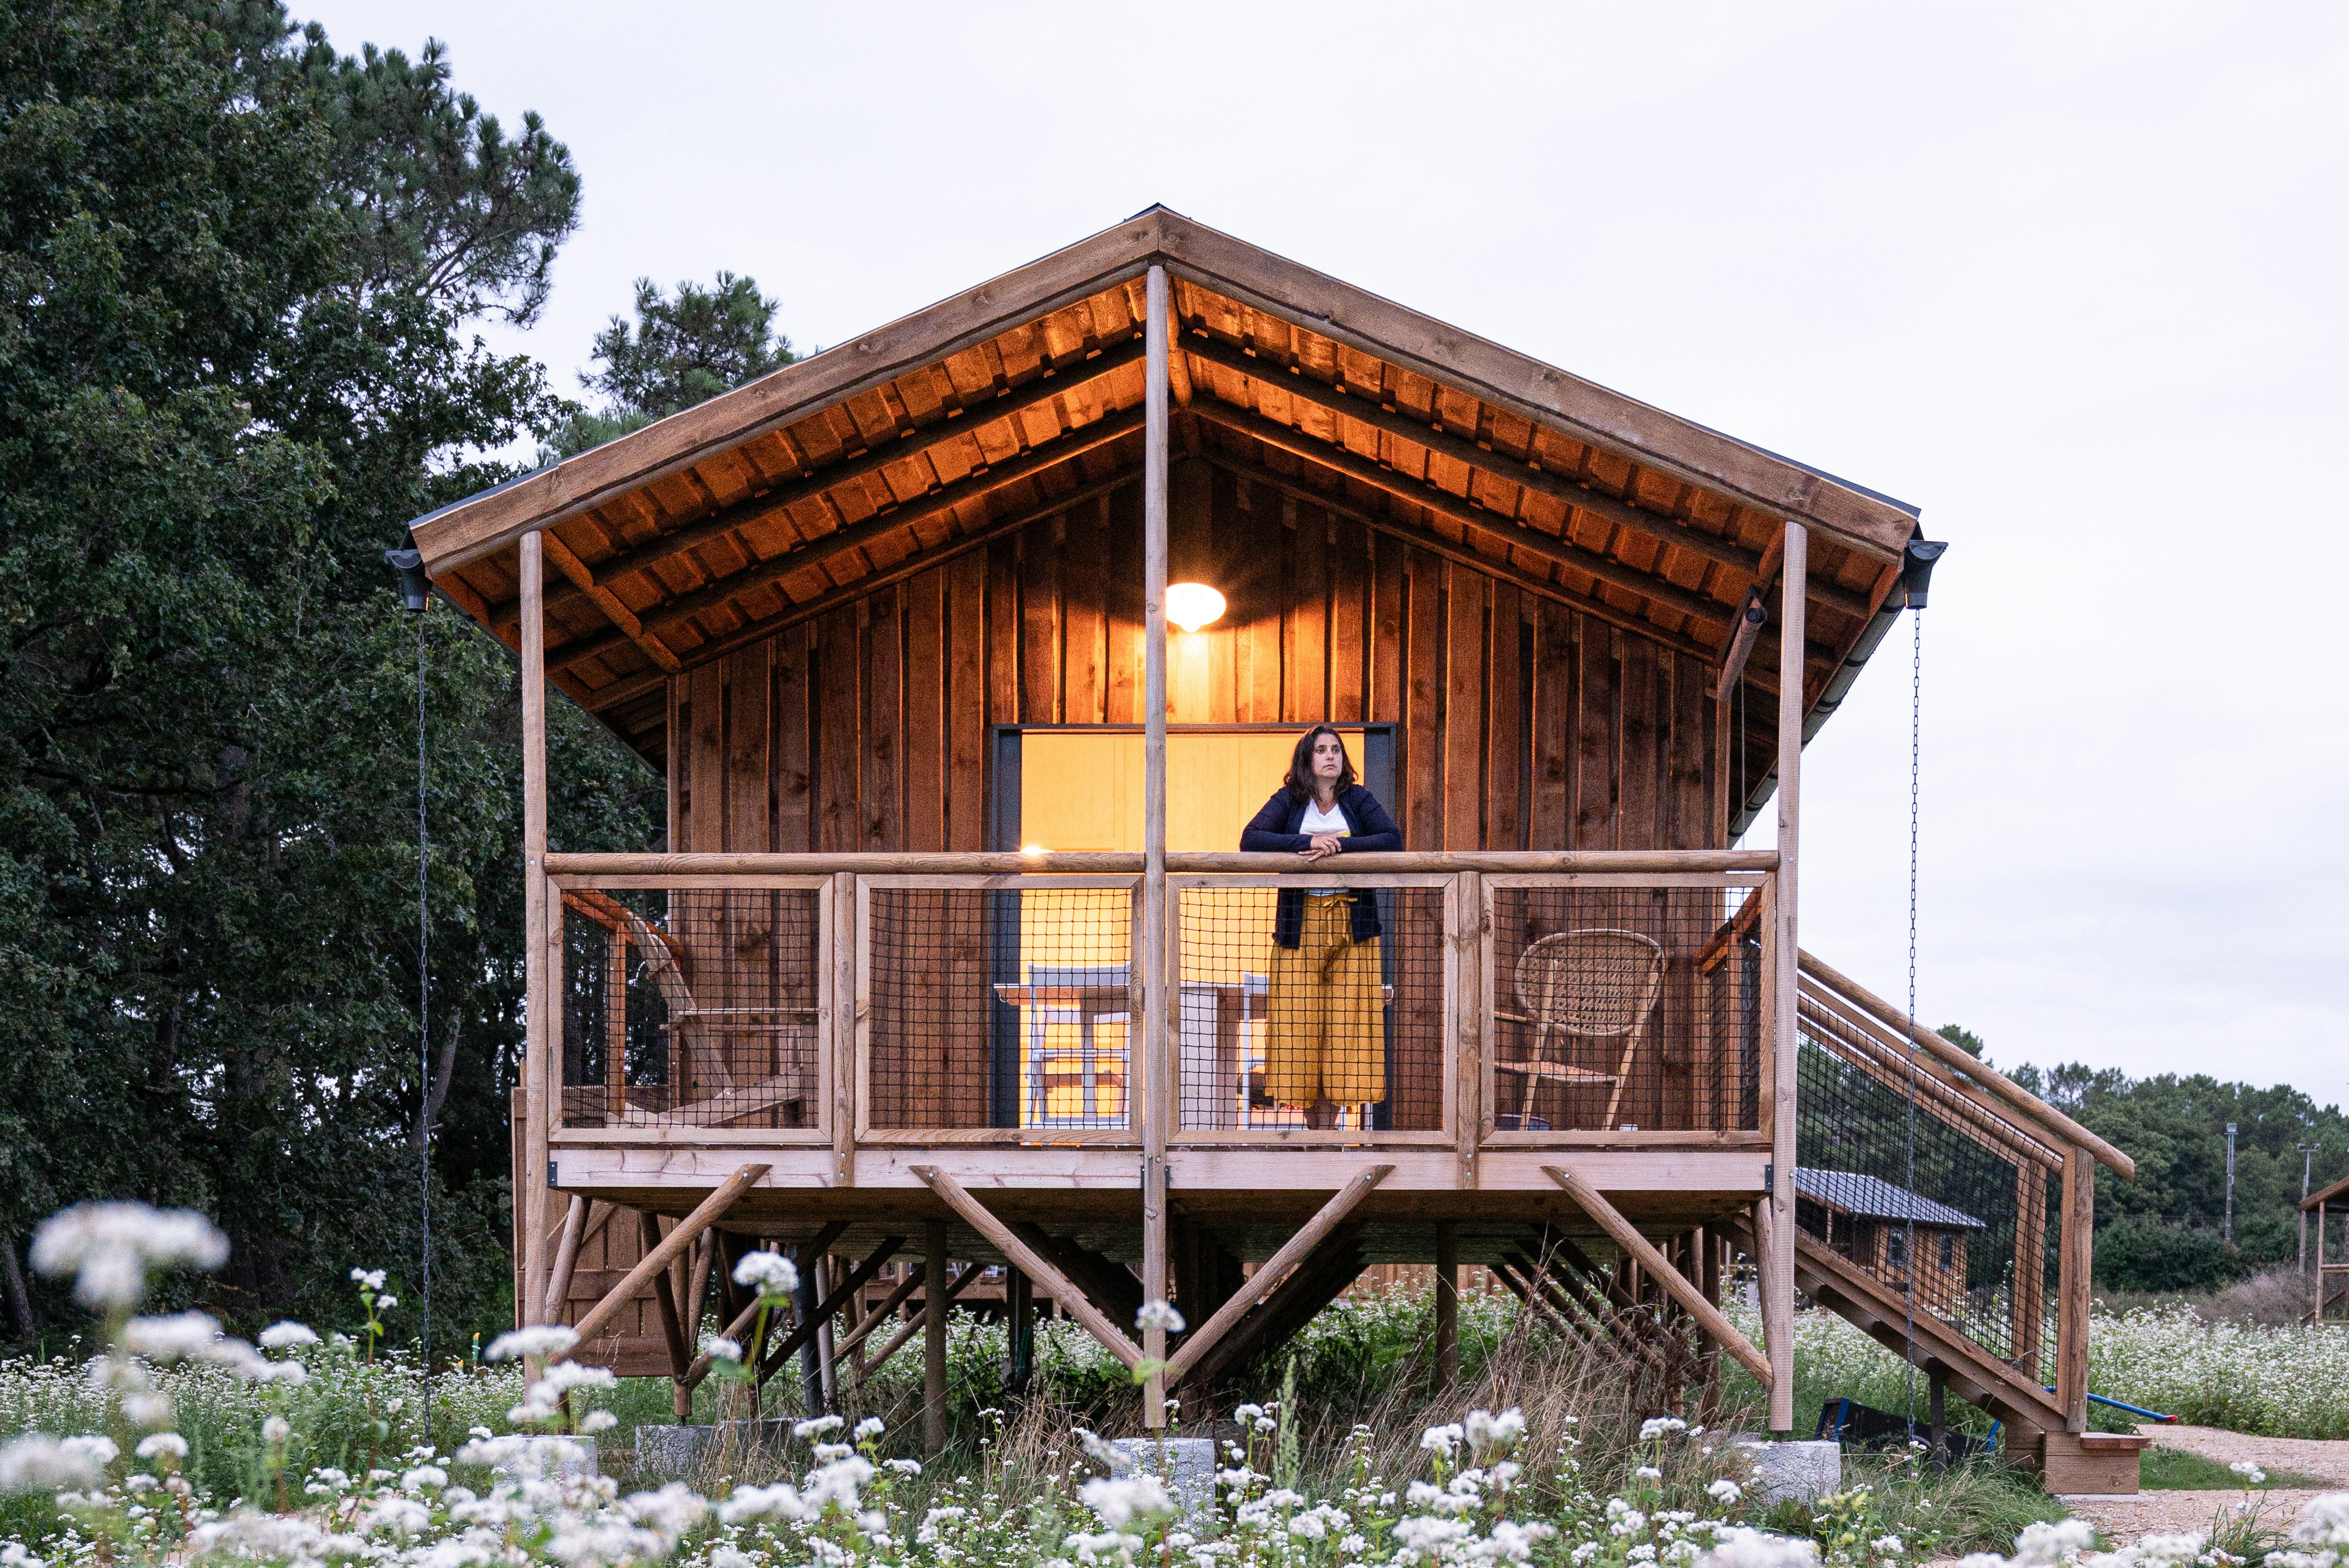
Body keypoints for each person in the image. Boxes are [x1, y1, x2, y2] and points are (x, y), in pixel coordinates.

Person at [1239, 726, 1402, 1129]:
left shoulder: (1358, 799)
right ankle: (1315, 1132)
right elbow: (1251, 839)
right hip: (1300, 927)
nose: (1330, 756)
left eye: (1336, 750)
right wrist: (1304, 842)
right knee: (1301, 1024)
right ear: (1307, 759)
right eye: (1321, 750)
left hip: (1354, 927)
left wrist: (1339, 844)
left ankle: (1331, 1133)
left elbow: (1392, 840)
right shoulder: (1290, 799)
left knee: (1345, 1027)